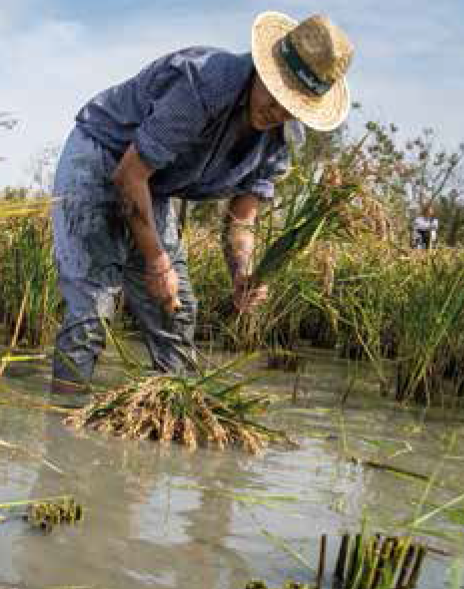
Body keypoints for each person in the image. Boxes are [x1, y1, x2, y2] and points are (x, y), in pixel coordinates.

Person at [50, 12, 354, 390]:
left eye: (290, 107)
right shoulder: (205, 82)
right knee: (92, 310)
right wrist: (157, 262)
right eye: (275, 95)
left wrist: (243, 273)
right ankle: (61, 420)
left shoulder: (280, 144)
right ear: (263, 70)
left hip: (152, 186)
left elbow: (242, 220)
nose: (276, 111)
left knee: (177, 315)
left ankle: (171, 411)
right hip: (102, 157)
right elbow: (129, 175)